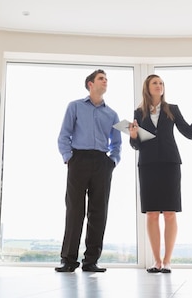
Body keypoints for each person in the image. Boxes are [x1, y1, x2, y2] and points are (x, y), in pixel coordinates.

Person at [128, 74, 192, 274]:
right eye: (155, 83)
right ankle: (156, 261)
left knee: (169, 213)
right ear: (147, 88)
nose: (159, 86)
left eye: (161, 83)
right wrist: (133, 136)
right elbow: (136, 145)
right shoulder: (138, 112)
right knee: (151, 214)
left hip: (170, 164)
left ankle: (167, 261)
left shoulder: (172, 109)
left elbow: (190, 133)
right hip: (148, 164)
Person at [55, 69, 122, 273]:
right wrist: (69, 158)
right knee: (75, 210)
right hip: (78, 160)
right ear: (90, 84)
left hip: (102, 163)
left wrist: (112, 162)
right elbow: (64, 135)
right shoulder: (74, 106)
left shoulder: (112, 114)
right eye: (101, 79)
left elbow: (117, 143)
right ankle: (68, 260)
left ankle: (91, 261)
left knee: (99, 212)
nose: (105, 82)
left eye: (106, 79)